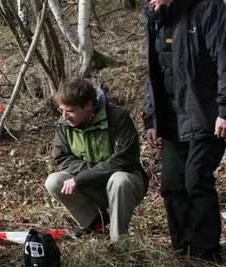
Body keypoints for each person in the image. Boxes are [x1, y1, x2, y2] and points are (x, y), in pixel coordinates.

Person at [144, 0, 226, 262]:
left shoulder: (209, 9)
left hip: (206, 113)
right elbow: (153, 70)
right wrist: (151, 117)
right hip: (171, 120)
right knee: (171, 184)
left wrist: (224, 110)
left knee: (196, 179)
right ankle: (183, 250)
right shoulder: (155, 17)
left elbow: (224, 58)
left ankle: (205, 253)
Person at [45, 78, 148, 242]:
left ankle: (119, 241)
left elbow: (124, 160)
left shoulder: (117, 117)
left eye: (69, 111)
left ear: (88, 106)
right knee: (54, 181)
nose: (64, 116)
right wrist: (91, 172)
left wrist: (81, 178)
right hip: (92, 184)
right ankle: (96, 226)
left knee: (119, 179)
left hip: (127, 183)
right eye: (61, 110)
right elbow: (61, 157)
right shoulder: (64, 124)